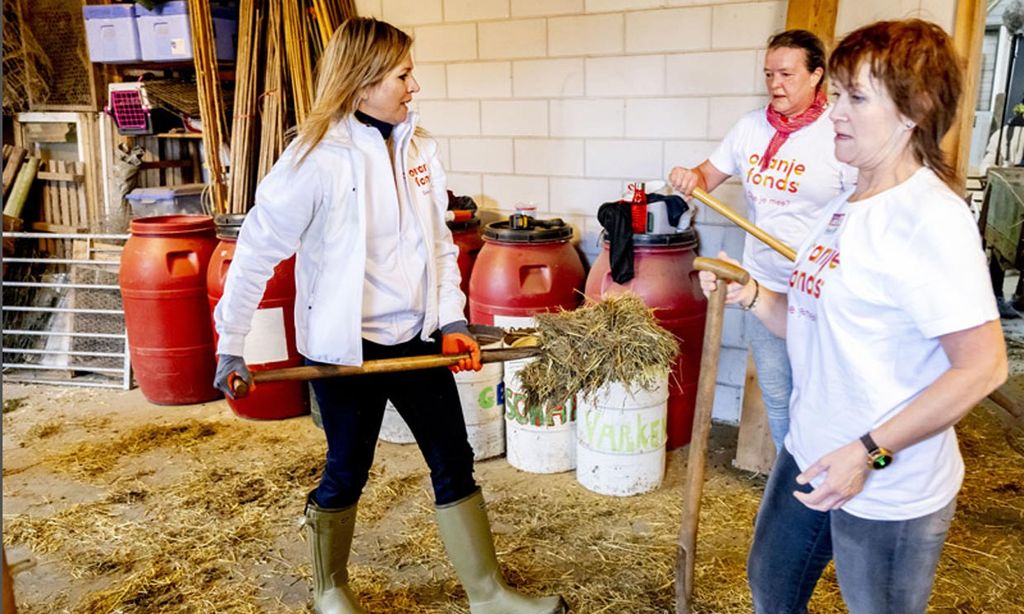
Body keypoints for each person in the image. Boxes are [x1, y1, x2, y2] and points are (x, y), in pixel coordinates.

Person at [211, 18, 565, 614]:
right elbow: (255, 252)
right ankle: (330, 590)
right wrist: (232, 342)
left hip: (415, 337)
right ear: (365, 80)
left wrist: (451, 319)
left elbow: (440, 247)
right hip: (346, 350)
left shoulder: (419, 148)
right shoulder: (314, 160)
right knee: (348, 467)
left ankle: (487, 594)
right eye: (403, 74)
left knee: (453, 458)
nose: (414, 85)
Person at [699, 19, 1008, 613]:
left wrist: (867, 453)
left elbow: (984, 367)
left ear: (913, 110)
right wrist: (752, 293)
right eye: (836, 93)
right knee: (772, 590)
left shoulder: (927, 219)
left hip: (885, 482)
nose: (834, 112)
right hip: (812, 450)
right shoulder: (846, 202)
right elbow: (816, 321)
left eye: (855, 98)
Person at [669, 29, 855, 451]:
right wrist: (688, 178)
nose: (775, 84)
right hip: (762, 285)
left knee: (822, 400)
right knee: (777, 396)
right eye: (769, 74)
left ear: (817, 75)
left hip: (819, 292)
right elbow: (705, 178)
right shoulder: (750, 128)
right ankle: (797, 488)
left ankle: (824, 484)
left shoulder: (839, 132)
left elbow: (862, 212)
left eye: (787, 74)